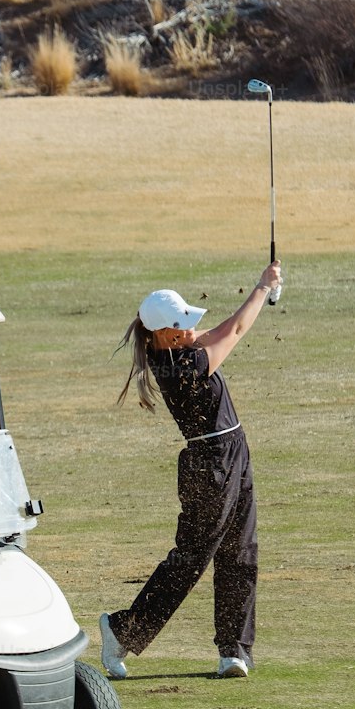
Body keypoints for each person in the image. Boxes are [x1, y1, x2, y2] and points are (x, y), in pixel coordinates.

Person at [100, 260, 283, 680]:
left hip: (233, 451)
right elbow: (233, 333)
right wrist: (261, 287)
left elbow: (217, 331)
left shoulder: (172, 346)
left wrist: (262, 293)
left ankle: (233, 651)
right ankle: (121, 630)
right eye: (180, 326)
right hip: (210, 464)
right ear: (162, 334)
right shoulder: (182, 365)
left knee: (241, 551)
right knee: (191, 560)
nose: (188, 329)